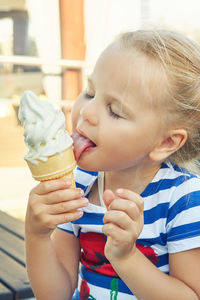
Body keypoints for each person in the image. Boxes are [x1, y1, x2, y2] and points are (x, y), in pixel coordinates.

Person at [25, 29, 200, 300]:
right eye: (90, 91)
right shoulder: (79, 184)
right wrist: (36, 236)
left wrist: (126, 257)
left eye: (115, 111)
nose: (86, 111)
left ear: (165, 142)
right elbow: (54, 294)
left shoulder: (184, 200)